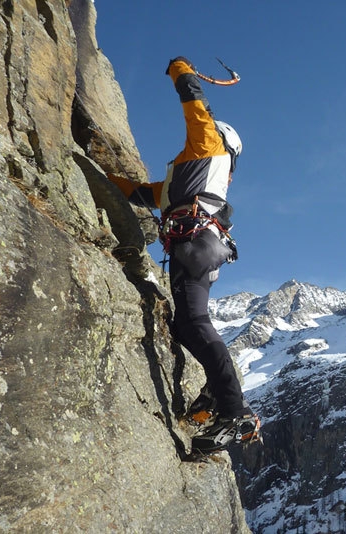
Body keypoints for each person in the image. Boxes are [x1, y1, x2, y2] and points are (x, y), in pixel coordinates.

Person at [108, 56, 260, 454]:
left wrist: (180, 68)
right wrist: (99, 178)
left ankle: (234, 410)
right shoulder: (187, 180)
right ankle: (216, 392)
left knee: (194, 322)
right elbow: (142, 194)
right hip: (203, 245)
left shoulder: (208, 145)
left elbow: (196, 105)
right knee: (184, 326)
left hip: (195, 243)